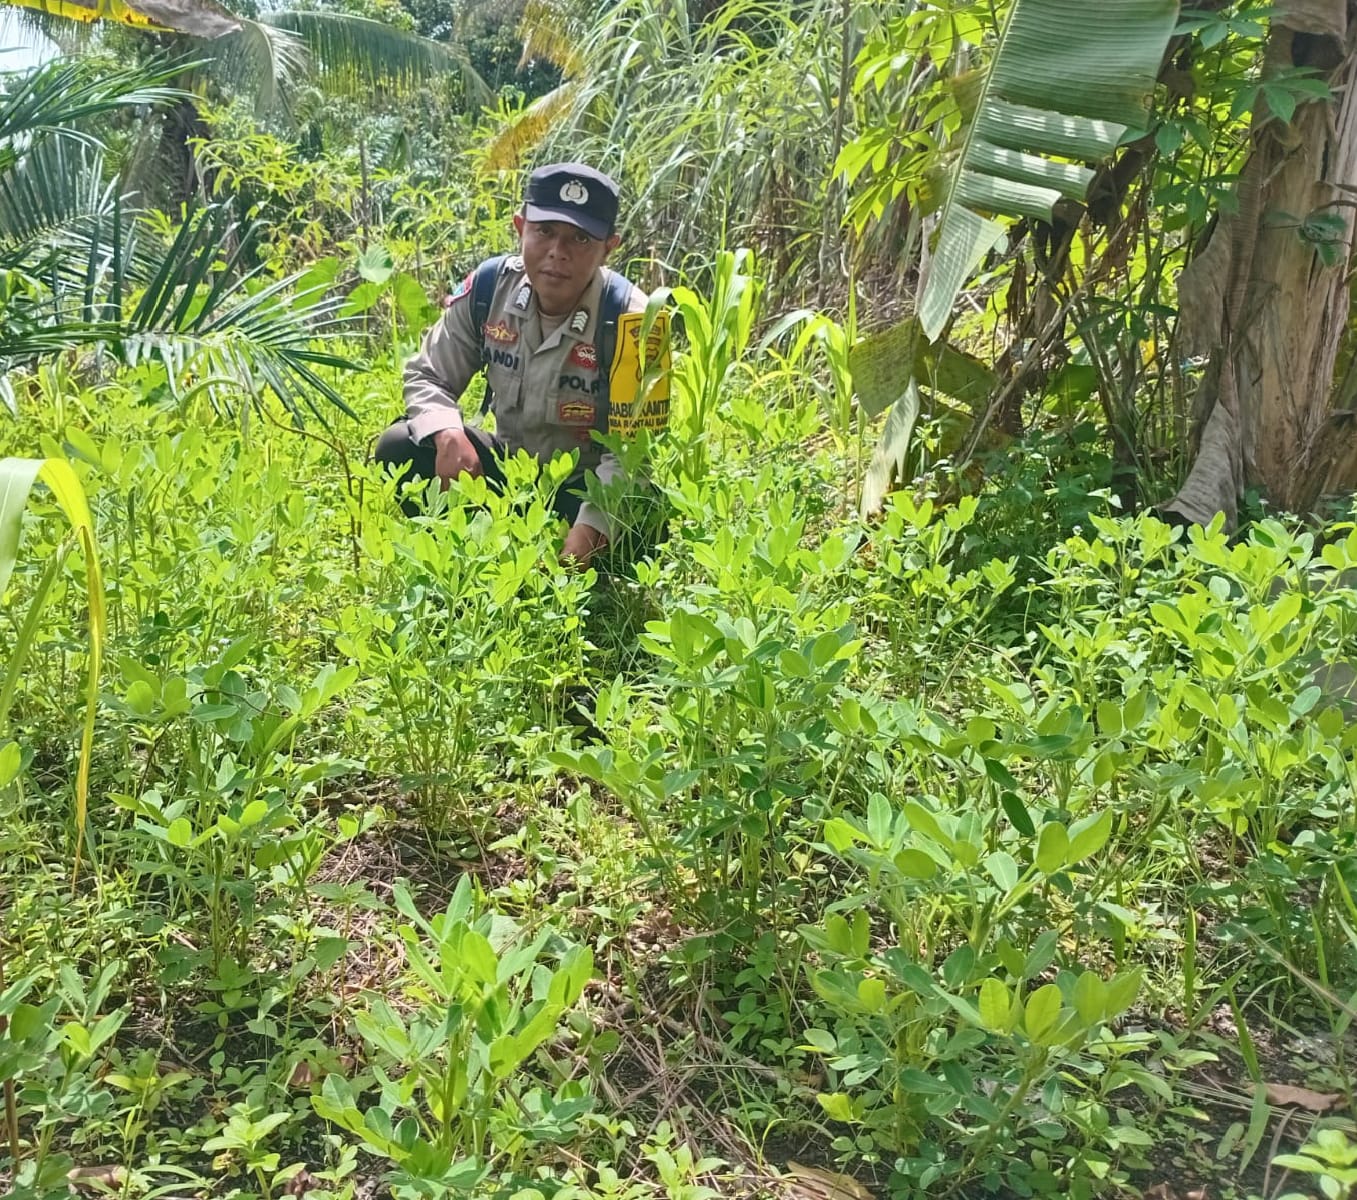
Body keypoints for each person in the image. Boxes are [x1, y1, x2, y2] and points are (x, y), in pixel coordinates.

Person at [374, 162, 668, 567]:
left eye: (580, 238)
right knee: (401, 446)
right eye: (544, 231)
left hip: (586, 488)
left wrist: (590, 530)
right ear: (520, 227)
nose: (558, 252)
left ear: (609, 247)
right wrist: (447, 432)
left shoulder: (635, 321)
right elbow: (429, 375)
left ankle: (576, 562)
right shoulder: (488, 289)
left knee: (646, 523)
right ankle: (470, 559)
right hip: (509, 476)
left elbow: (632, 456)